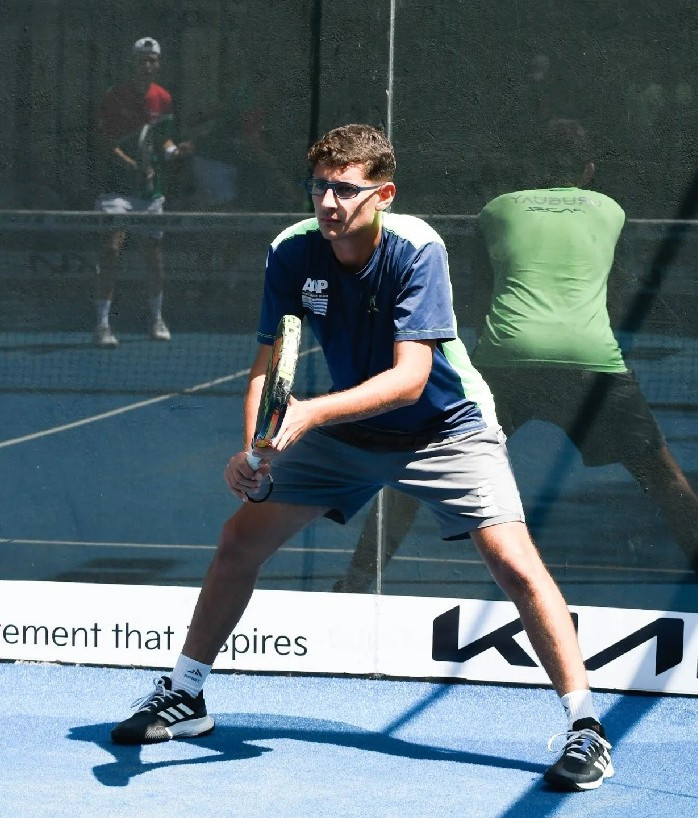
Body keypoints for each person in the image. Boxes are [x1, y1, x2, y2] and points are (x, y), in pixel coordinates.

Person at [110, 123, 614, 792]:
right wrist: (256, 450)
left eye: (345, 189)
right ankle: (185, 694)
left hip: (444, 429)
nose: (328, 202)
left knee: (515, 566)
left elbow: (410, 378)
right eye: (320, 186)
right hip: (348, 434)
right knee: (238, 541)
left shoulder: (416, 249)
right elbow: (268, 363)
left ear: (383, 194)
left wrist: (312, 413)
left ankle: (586, 728)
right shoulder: (292, 251)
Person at [336, 119, 698, 616]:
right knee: (665, 480)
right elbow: (616, 291)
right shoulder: (610, 210)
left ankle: (354, 585)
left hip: (504, 361)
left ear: (529, 169)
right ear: (588, 171)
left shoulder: (498, 210)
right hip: (593, 364)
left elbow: (480, 293)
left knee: (417, 468)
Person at [92, 37, 192, 348]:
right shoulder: (113, 97)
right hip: (116, 189)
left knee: (153, 255)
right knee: (111, 248)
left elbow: (163, 140)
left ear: (158, 64)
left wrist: (174, 151)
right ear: (132, 63)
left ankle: (157, 319)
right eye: (142, 60)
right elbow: (104, 143)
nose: (147, 65)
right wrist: (133, 165)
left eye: (152, 60)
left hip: (149, 191)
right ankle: (102, 324)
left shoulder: (163, 98)